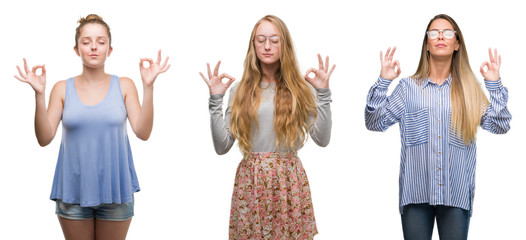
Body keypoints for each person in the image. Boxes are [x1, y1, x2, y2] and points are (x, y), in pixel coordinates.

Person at [14, 14, 170, 240]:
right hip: (73, 191)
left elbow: (143, 133)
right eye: (86, 42)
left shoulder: (125, 85)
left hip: (116, 191)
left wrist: (149, 87)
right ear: (77, 49)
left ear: (110, 49)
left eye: (101, 41)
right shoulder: (61, 88)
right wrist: (39, 95)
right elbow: (44, 137)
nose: (94, 47)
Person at [365, 14, 511, 240]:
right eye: (434, 33)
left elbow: (501, 126)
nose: (440, 36)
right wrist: (383, 81)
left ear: (457, 44)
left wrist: (494, 84)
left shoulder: (470, 89)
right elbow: (374, 122)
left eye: (448, 32)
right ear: (426, 44)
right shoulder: (407, 88)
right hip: (416, 195)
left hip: (456, 195)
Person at [200, 15, 335, 239]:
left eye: (274, 40)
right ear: (253, 45)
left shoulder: (300, 89)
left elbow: (322, 139)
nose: (267, 46)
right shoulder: (239, 90)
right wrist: (215, 100)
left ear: (285, 45)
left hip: (288, 181)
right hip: (251, 182)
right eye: (261, 40)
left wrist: (323, 94)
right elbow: (222, 146)